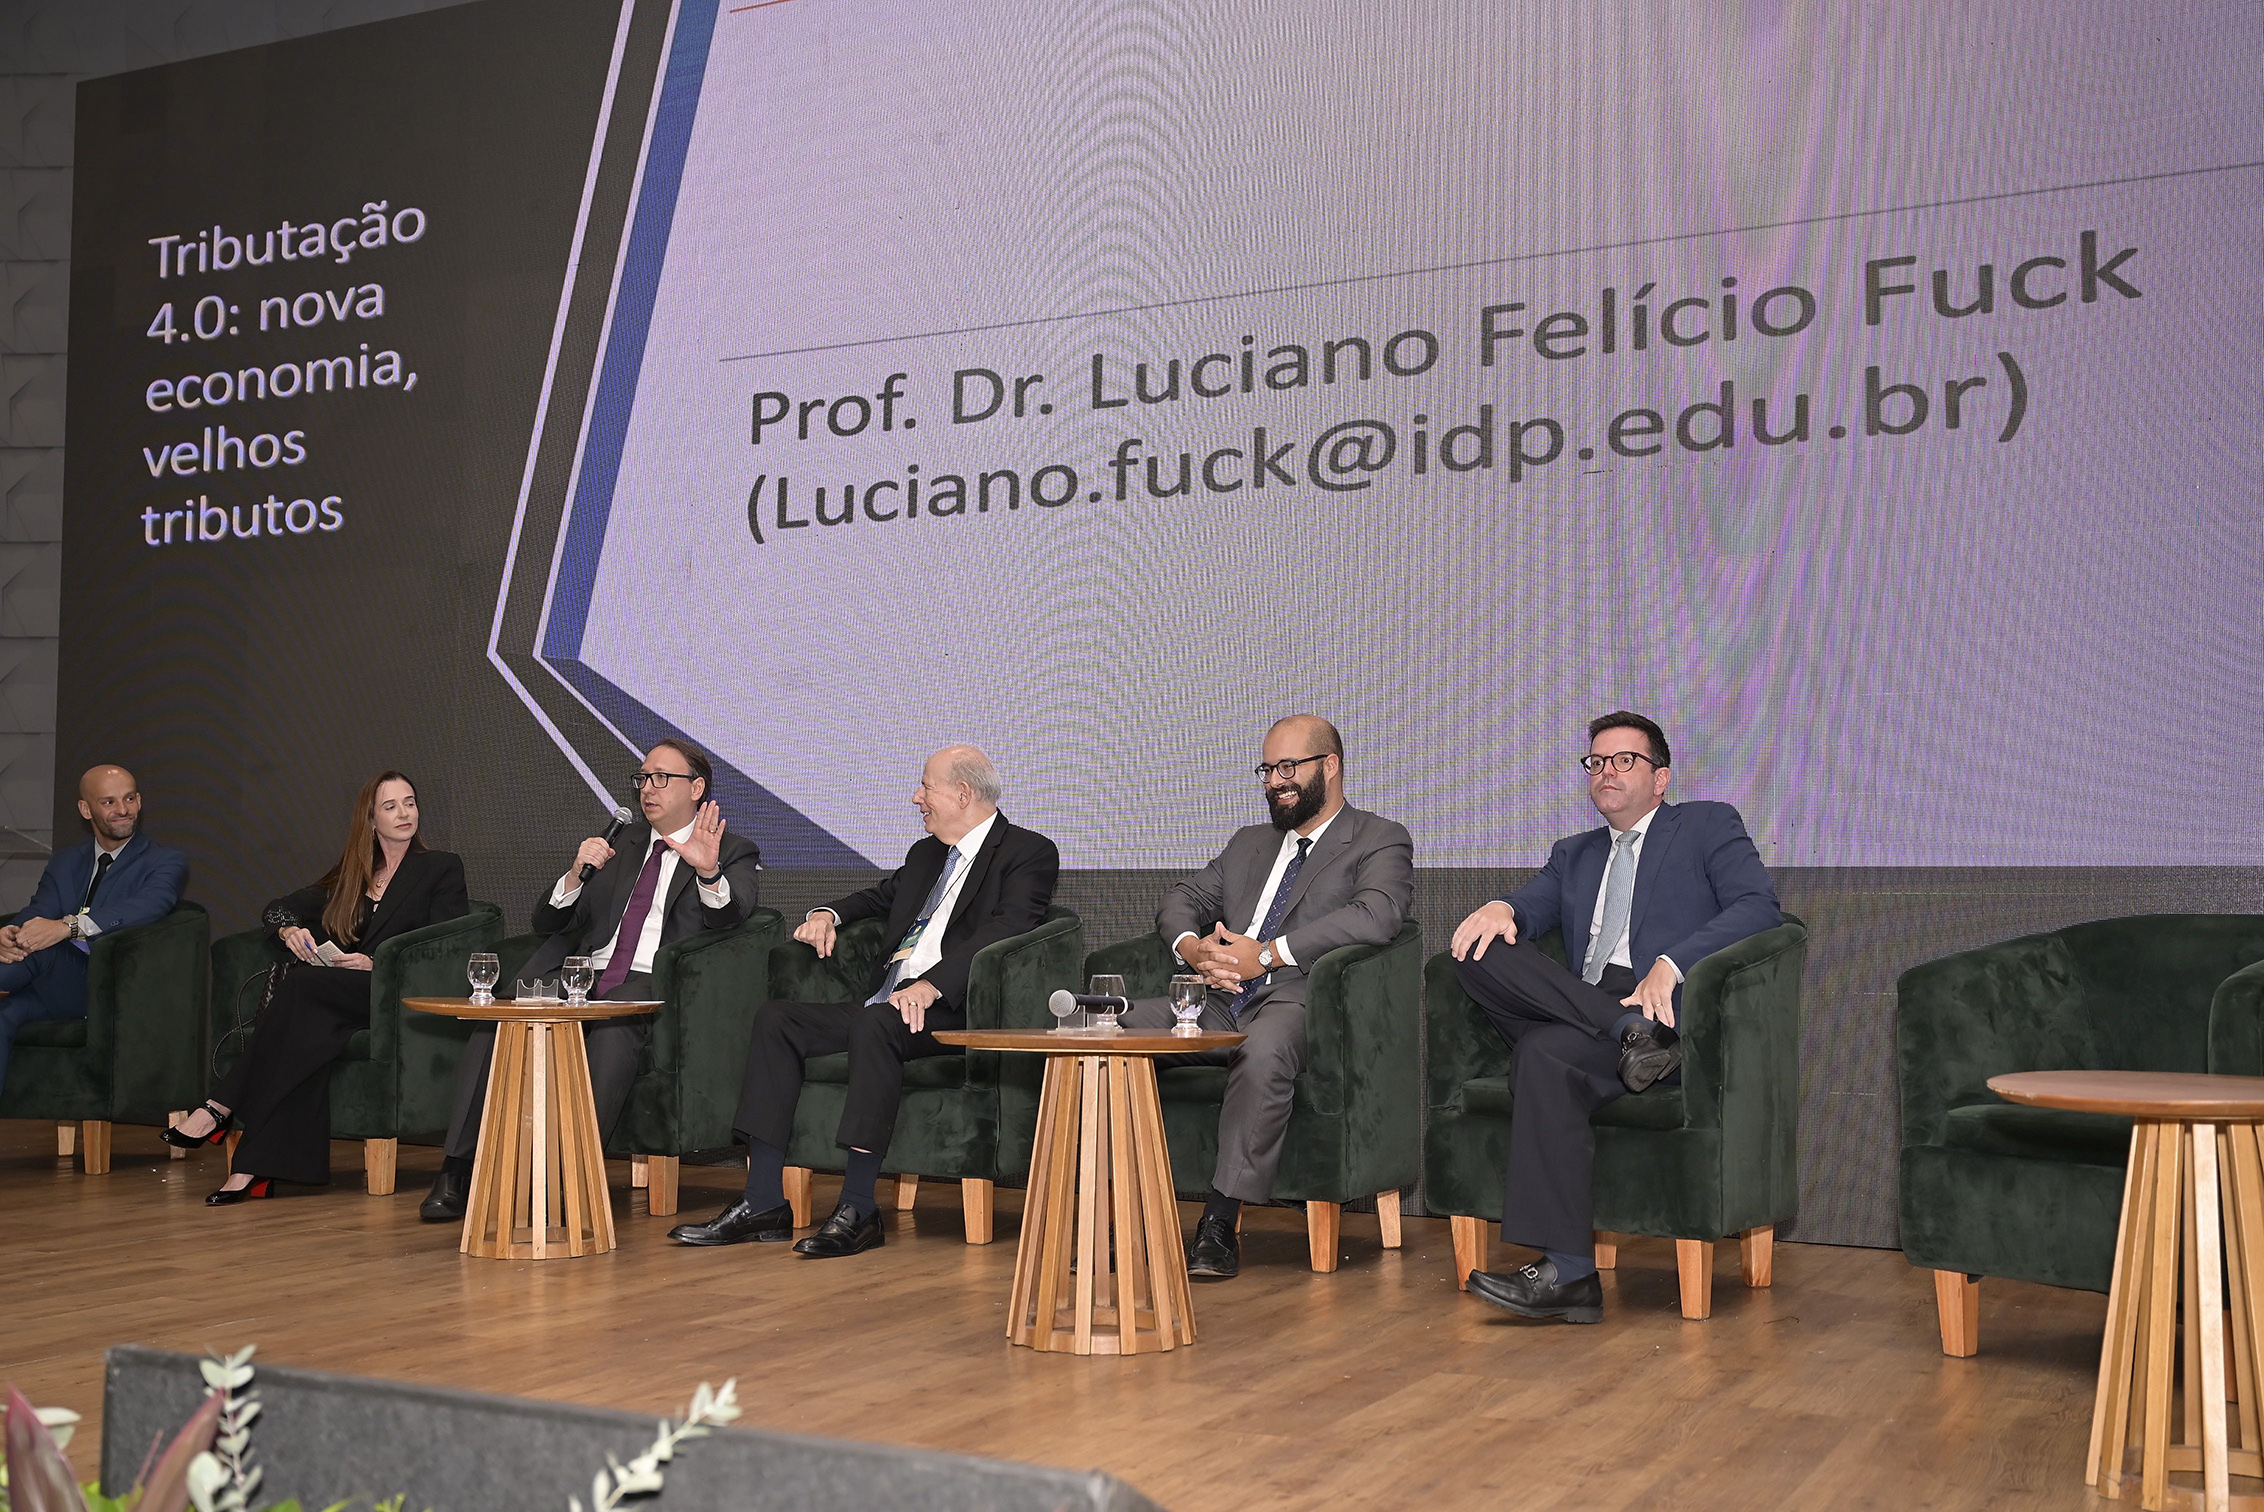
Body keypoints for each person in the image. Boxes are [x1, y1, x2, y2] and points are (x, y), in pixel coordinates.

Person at [1449, 711, 1780, 1323]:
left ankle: (1570, 1275)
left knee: (1541, 1054)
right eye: (1596, 762)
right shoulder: (1573, 854)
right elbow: (1531, 906)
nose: (1606, 771)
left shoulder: (1706, 825)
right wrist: (1503, 907)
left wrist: (1672, 964)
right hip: (1595, 1013)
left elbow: (1760, 907)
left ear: (1661, 778)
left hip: (1660, 1007)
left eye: (1624, 760)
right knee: (1477, 947)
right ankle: (1623, 1031)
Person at [668, 744, 1058, 1257]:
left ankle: (858, 1208)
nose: (916, 797)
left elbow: (1010, 927)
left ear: (963, 794)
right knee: (778, 1019)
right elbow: (879, 897)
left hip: (956, 1010)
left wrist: (932, 984)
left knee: (876, 1023)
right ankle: (762, 1200)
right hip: (889, 1004)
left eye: (926, 787)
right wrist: (828, 913)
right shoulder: (927, 854)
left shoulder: (1028, 852)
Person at [1119, 715, 1412, 1281]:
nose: (1275, 782)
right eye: (1267, 770)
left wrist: (1270, 954)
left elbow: (1376, 916)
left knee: (1262, 1049)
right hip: (1216, 999)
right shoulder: (1250, 842)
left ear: (1330, 766)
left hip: (1298, 1000)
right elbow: (1181, 898)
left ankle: (1218, 1223)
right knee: (1105, 1030)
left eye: (1288, 768)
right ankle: (1117, 1215)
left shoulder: (1378, 837)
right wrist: (1194, 949)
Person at [421, 738, 762, 1220]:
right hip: (584, 972)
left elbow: (731, 918)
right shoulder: (620, 844)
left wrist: (707, 872)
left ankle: (569, 1179)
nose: (647, 788)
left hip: (656, 980)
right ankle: (457, 1170)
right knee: (499, 1019)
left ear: (696, 788)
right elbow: (548, 922)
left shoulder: (732, 849)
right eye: (642, 778)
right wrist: (574, 876)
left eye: (661, 778)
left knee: (615, 1022)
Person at [172, 771, 469, 1203]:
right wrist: (289, 930)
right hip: (343, 998)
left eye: (409, 803)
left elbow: (444, 942)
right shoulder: (352, 874)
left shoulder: (439, 867)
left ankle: (218, 1106)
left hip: (395, 992)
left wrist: (378, 962)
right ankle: (251, 1170)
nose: (404, 813)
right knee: (305, 1039)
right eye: (390, 806)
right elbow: (278, 908)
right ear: (370, 820)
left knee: (302, 987)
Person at [0, 765, 187, 1096]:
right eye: (109, 802)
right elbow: (39, 911)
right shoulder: (66, 862)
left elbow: (148, 906)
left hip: (114, 988)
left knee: (44, 952)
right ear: (86, 809)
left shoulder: (165, 861)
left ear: (140, 801)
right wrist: (11, 934)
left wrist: (68, 927)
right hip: (59, 987)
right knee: (5, 1014)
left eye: (129, 798)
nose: (123, 810)